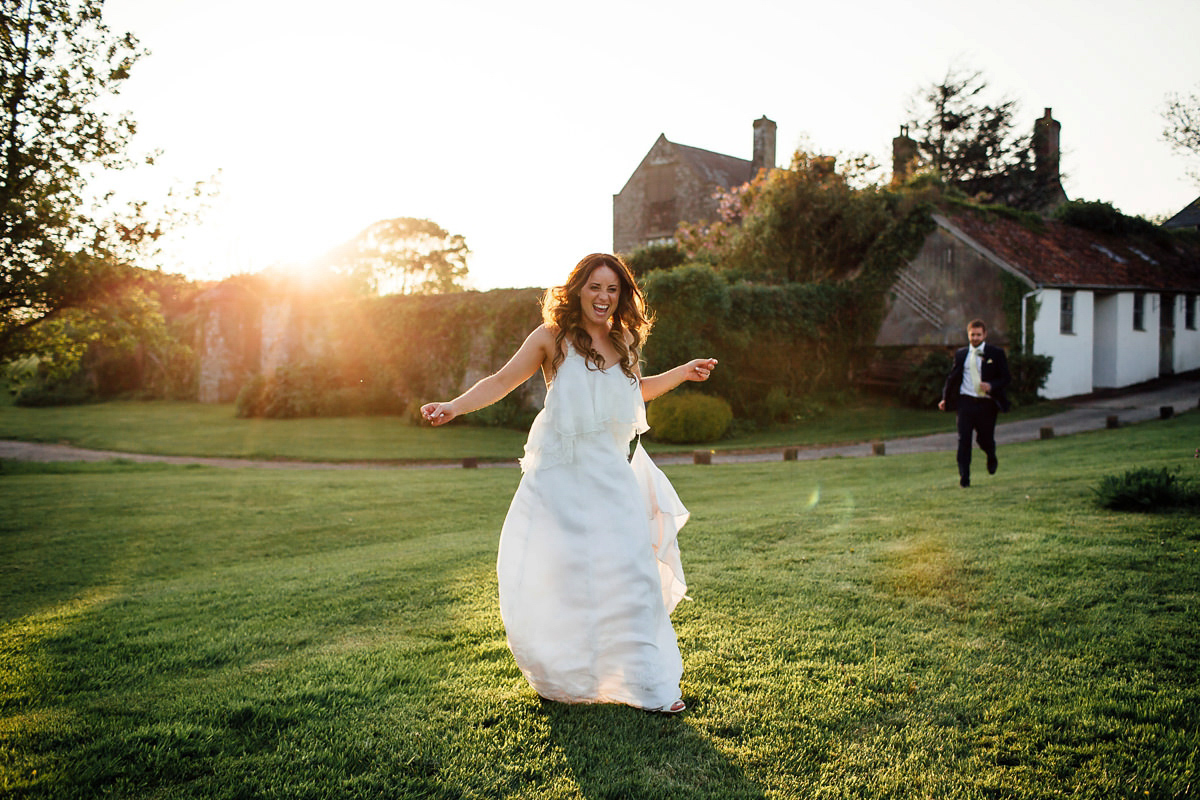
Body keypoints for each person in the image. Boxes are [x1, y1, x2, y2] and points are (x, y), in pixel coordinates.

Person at [421, 253, 717, 714]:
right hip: (560, 479)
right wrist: (454, 407)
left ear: (622, 295)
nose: (604, 297)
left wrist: (682, 373)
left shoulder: (624, 340)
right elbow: (501, 380)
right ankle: (565, 677)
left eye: (613, 289)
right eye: (595, 287)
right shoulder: (551, 339)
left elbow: (633, 392)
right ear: (577, 289)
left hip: (611, 476)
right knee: (563, 577)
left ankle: (651, 688)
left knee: (633, 574)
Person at [938, 319, 1012, 487]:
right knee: (963, 440)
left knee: (984, 438)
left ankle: (991, 455)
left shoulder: (996, 353)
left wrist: (991, 385)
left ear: (984, 335)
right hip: (965, 402)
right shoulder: (961, 354)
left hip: (986, 403)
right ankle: (964, 478)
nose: (976, 338)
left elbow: (1006, 378)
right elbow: (952, 378)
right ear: (968, 335)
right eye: (973, 335)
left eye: (979, 335)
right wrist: (945, 398)